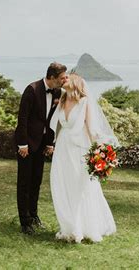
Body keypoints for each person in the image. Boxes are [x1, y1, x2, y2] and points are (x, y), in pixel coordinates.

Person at [50, 72, 118, 243]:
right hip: (63, 149)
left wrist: (99, 152)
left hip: (79, 149)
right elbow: (55, 126)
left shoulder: (84, 102)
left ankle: (86, 227)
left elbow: (90, 128)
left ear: (76, 82)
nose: (63, 80)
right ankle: (69, 227)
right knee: (63, 185)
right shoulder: (62, 101)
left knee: (81, 187)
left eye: (67, 78)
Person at [15, 62, 68, 234]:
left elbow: (52, 121)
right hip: (27, 144)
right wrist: (22, 144)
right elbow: (22, 119)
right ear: (52, 77)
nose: (64, 80)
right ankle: (25, 222)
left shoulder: (58, 92)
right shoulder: (32, 89)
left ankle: (33, 215)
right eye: (61, 78)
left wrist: (49, 143)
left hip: (42, 144)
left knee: (36, 181)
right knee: (24, 182)